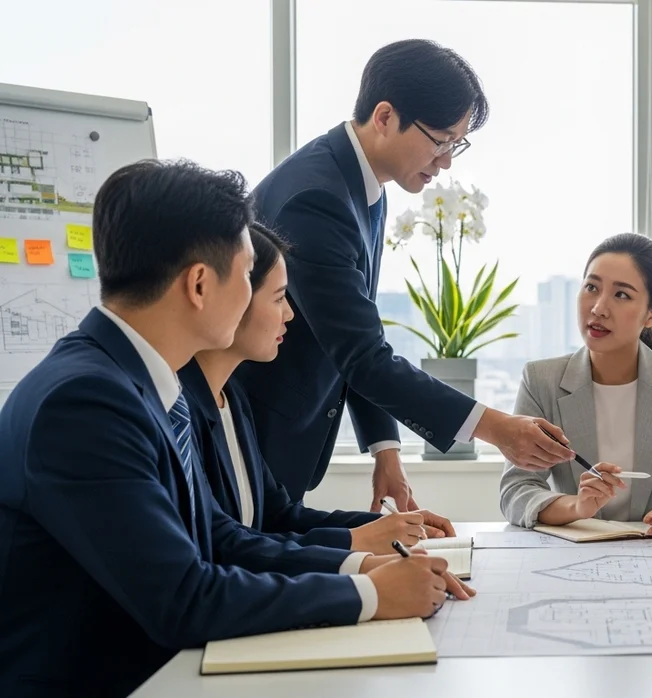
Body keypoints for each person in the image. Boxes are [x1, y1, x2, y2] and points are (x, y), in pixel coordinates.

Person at [0, 161, 453, 696]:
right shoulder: (86, 403)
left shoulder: (138, 380)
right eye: (245, 274)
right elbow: (184, 599)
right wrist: (370, 595)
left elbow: (215, 537)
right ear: (198, 284)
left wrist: (357, 567)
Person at [239, 38, 572, 512]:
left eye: (457, 144)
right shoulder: (317, 198)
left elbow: (356, 329)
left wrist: (386, 451)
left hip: (281, 436)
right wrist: (497, 428)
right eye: (440, 141)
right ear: (384, 117)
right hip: (255, 434)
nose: (447, 160)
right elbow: (362, 355)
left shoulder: (363, 184)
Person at [178, 224, 469, 578]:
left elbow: (279, 516)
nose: (289, 313)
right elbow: (226, 546)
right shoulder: (178, 407)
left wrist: (390, 527)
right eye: (279, 297)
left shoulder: (233, 397)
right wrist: (356, 545)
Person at [499, 234, 652, 539]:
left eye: (621, 295)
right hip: (572, 557)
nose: (599, 308)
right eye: (591, 288)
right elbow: (516, 490)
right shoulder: (541, 379)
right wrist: (576, 507)